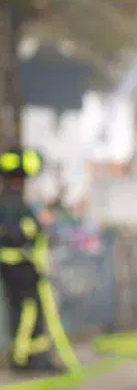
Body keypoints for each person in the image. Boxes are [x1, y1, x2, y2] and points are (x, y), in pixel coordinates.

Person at [0, 149, 77, 373]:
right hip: (19, 266)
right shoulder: (10, 204)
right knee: (28, 311)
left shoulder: (14, 201)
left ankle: (34, 356)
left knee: (33, 310)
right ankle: (25, 358)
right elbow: (18, 232)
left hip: (23, 265)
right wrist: (35, 230)